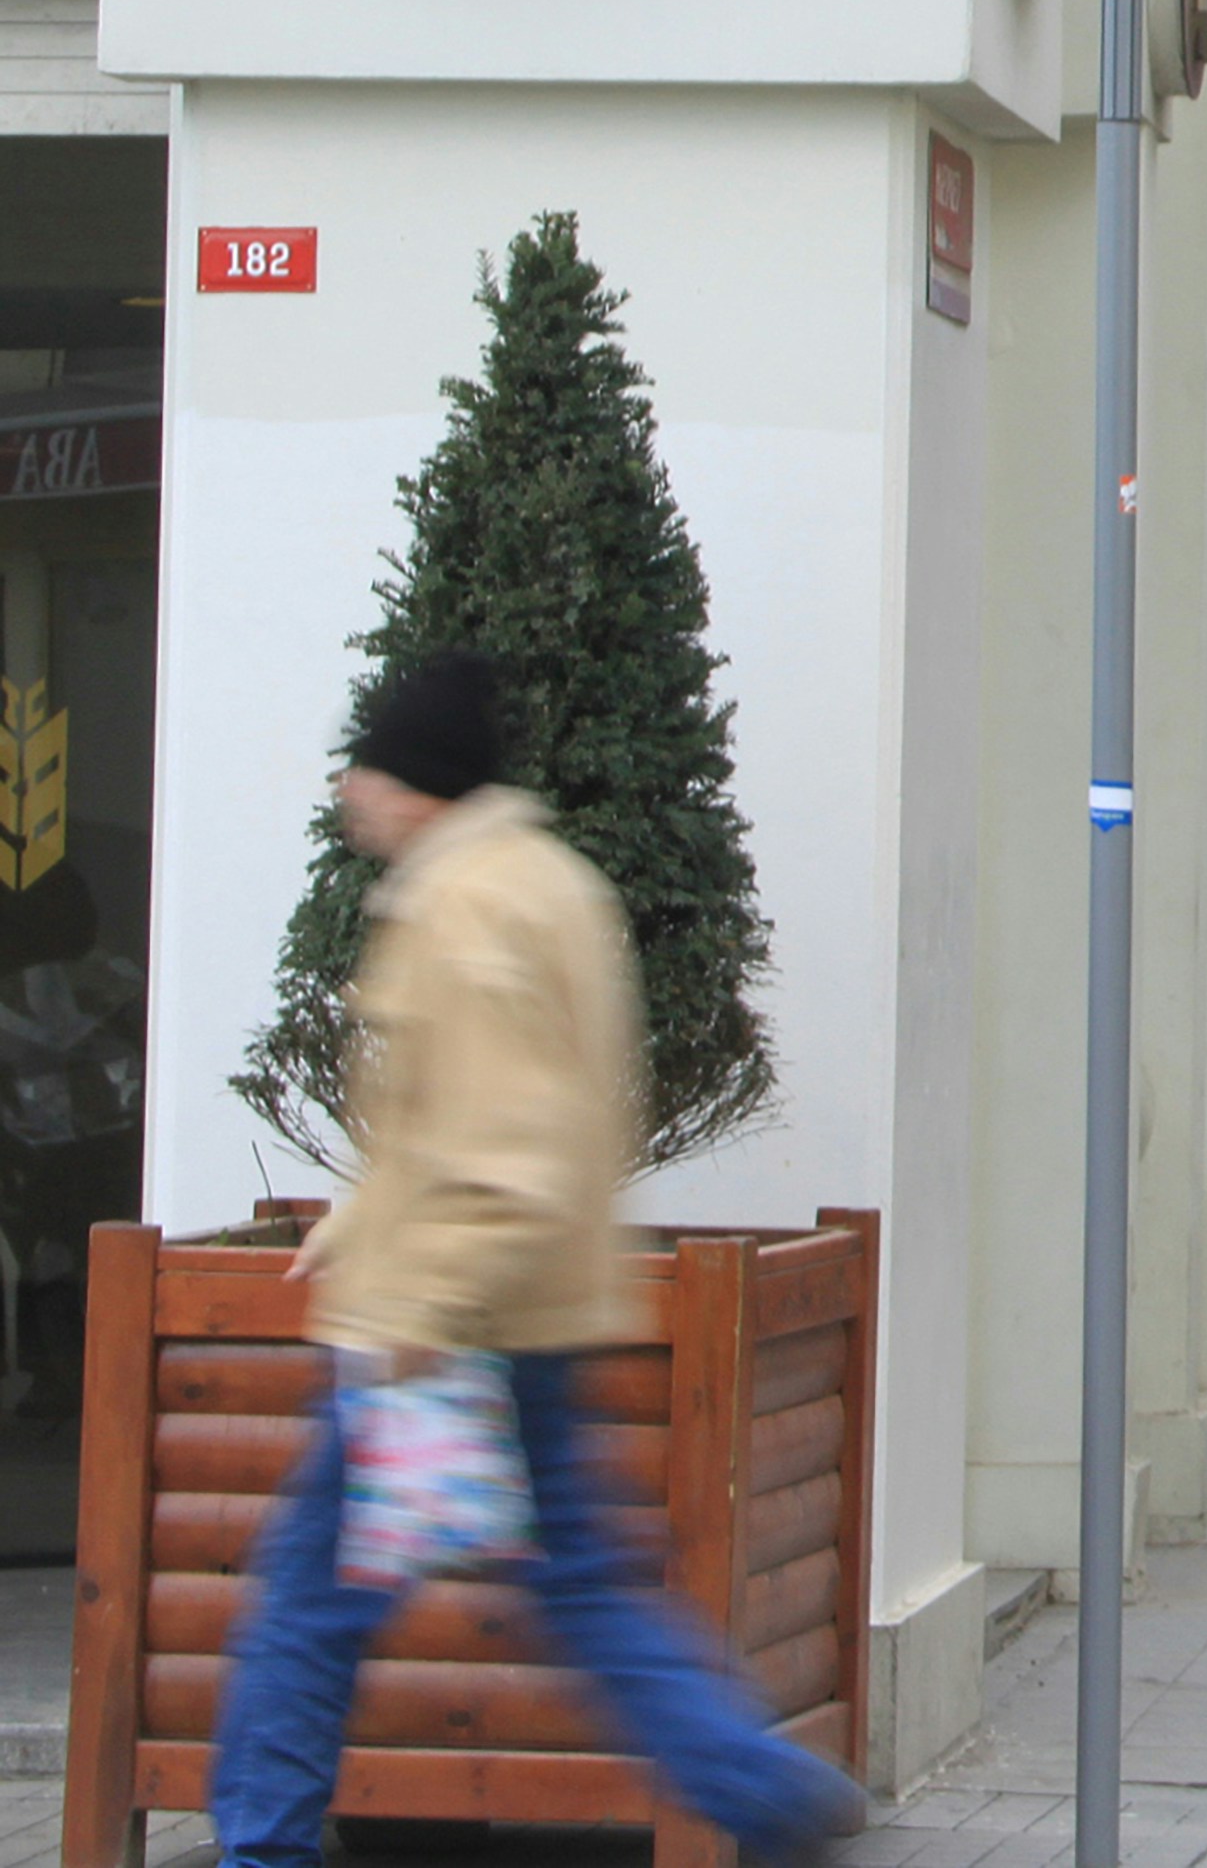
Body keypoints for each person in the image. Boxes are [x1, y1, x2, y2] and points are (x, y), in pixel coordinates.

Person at [211, 655, 864, 1868]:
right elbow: (478, 1120)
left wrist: (427, 1304)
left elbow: (507, 1142)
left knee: (305, 1609)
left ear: (416, 779)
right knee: (582, 1588)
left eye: (365, 763)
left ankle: (261, 1850)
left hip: (441, 1336)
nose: (349, 788)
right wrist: (364, 1221)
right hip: (523, 1314)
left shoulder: (461, 907)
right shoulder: (548, 883)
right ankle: (764, 1785)